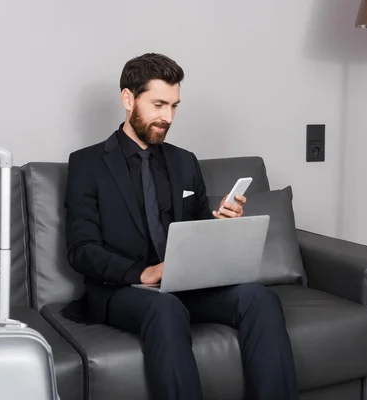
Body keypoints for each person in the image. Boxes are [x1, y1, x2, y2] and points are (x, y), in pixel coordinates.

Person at [63, 53, 299, 400]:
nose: (168, 117)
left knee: (259, 298)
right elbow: (81, 251)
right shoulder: (87, 164)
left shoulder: (184, 161)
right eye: (158, 104)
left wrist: (219, 225)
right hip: (122, 290)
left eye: (174, 106)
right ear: (128, 99)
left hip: (186, 286)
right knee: (165, 307)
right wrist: (142, 273)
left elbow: (197, 234)